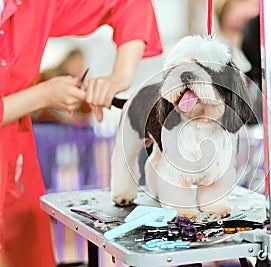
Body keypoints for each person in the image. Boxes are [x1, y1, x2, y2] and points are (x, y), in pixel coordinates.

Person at [0, 0, 162, 266]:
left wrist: (119, 77)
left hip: (16, 164)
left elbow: (130, 3)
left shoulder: (35, 5)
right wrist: (43, 94)